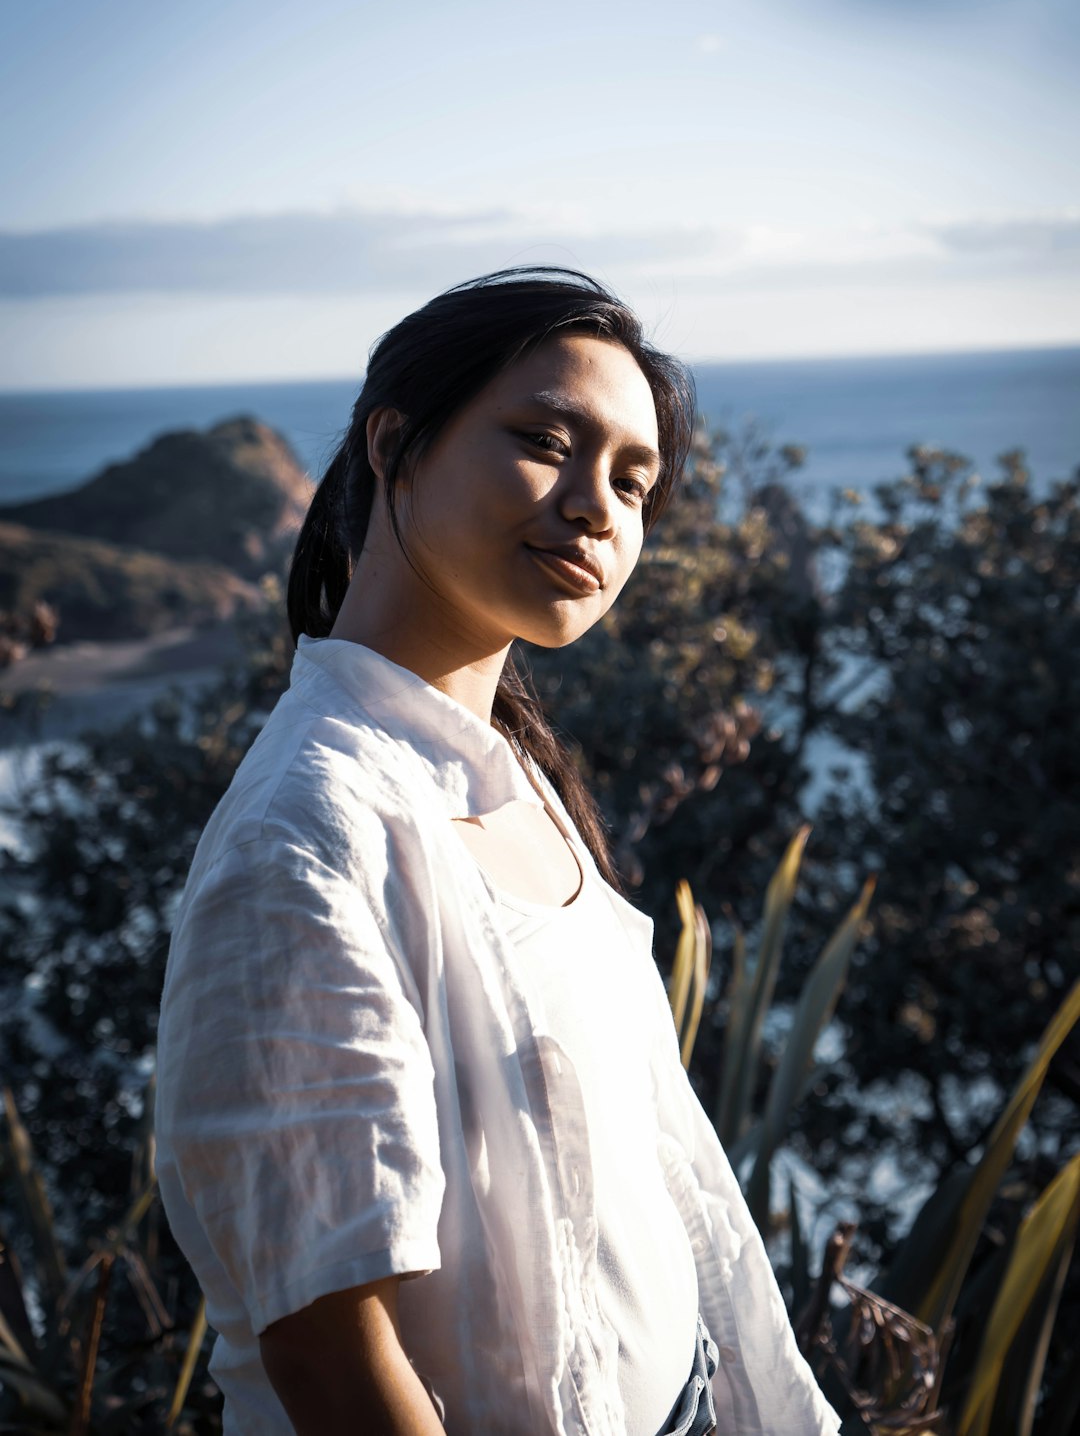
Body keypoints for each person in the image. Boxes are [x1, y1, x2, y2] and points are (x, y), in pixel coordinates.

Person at [155, 268, 840, 1436]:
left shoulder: (512, 772)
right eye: (543, 441)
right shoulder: (309, 830)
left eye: (635, 482)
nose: (597, 508)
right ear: (394, 444)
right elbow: (327, 1334)